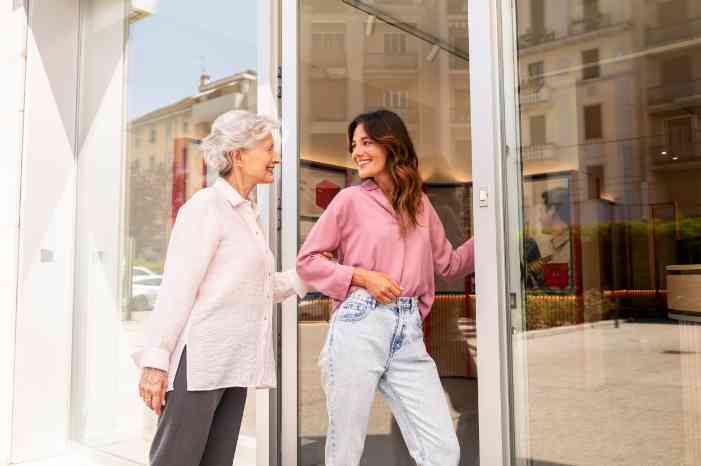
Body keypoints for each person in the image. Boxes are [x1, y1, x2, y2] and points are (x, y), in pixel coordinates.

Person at [297, 109, 475, 465]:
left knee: (441, 448)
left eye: (366, 142)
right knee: (346, 449)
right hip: (360, 324)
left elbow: (450, 264)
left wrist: (493, 227)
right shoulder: (349, 201)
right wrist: (362, 277)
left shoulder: (419, 204)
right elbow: (308, 261)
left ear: (391, 144)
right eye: (353, 145)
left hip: (408, 331)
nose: (357, 152)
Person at [133, 110, 308, 466]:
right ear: (238, 154)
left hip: (234, 365)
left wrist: (308, 274)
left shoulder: (247, 215)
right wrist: (155, 362)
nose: (276, 157)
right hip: (199, 367)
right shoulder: (206, 207)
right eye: (268, 148)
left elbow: (254, 288)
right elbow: (177, 289)